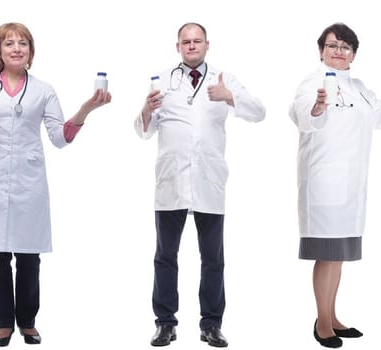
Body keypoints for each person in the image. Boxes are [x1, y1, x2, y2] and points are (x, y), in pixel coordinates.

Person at [0, 22, 111, 347]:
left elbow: (60, 138)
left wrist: (85, 110)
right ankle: (4, 323)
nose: (16, 48)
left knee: (29, 257)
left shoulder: (43, 90)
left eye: (23, 43)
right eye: (9, 44)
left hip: (28, 181)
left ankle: (28, 322)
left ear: (31, 52)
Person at [135, 22, 265, 348]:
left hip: (209, 181)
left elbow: (260, 112)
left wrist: (230, 97)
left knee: (213, 259)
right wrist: (146, 111)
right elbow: (142, 131)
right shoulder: (161, 80)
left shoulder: (224, 79)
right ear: (177, 46)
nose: (191, 46)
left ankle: (211, 324)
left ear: (207, 44)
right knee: (165, 256)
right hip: (171, 182)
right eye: (185, 42)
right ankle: (165, 323)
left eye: (197, 41)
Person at [288, 23, 381, 348]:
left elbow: (380, 116)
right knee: (327, 255)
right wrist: (315, 108)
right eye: (333, 45)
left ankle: (331, 316)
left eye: (345, 47)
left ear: (353, 54)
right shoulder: (312, 83)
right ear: (321, 51)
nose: (339, 51)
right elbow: (299, 111)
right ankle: (322, 323)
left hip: (351, 188)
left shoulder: (359, 88)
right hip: (323, 184)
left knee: (339, 255)